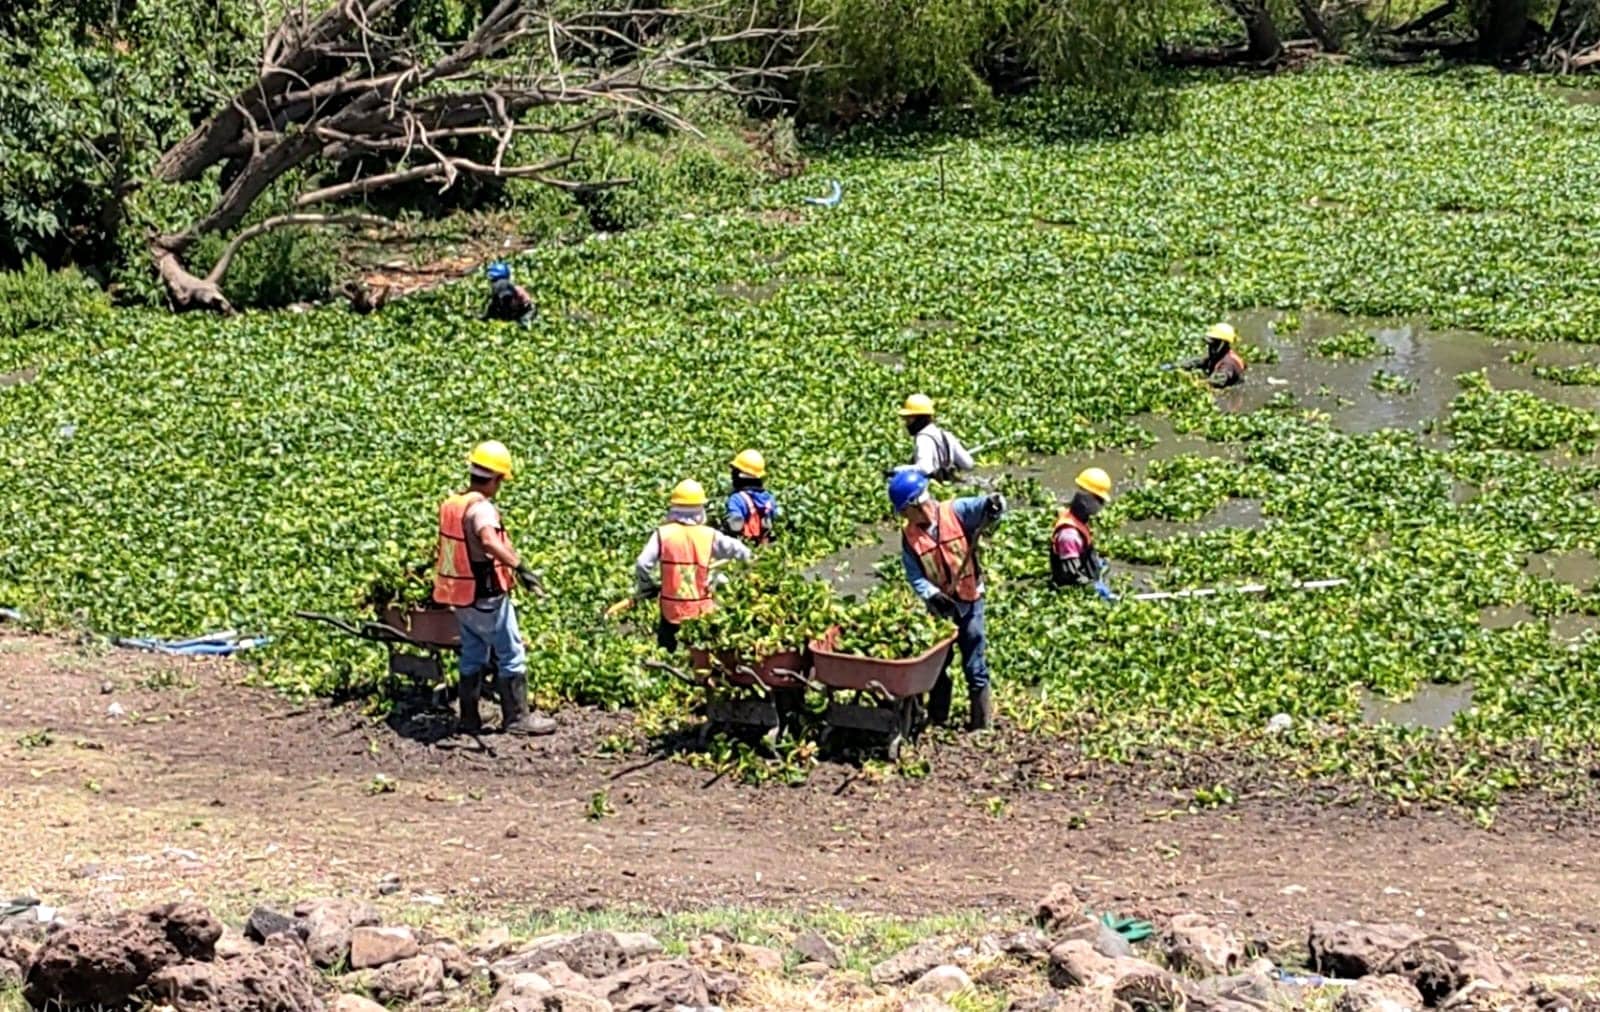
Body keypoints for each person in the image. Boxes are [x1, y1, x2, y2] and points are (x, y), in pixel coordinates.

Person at [432, 440, 555, 736]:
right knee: (510, 652)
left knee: (473, 652)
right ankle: (517, 719)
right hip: (486, 595)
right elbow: (488, 540)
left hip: (460, 595)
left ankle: (469, 718)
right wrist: (520, 567)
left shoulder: (453, 504)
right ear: (496, 479)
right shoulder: (482, 509)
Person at [889, 467, 1005, 731]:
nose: (904, 516)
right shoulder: (910, 537)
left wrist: (995, 505)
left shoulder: (956, 511)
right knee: (938, 666)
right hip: (942, 607)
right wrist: (932, 595)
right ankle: (938, 718)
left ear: (915, 503)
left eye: (904, 510)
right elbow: (915, 574)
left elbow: (987, 507)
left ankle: (980, 724)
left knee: (974, 661)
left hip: (970, 600)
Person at [633, 479, 752, 651]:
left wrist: (647, 586)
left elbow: (642, 564)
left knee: (667, 652)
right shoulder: (709, 535)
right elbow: (743, 552)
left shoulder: (663, 534)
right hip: (702, 610)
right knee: (701, 655)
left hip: (671, 609)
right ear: (700, 509)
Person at [1052, 467, 1116, 602]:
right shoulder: (1069, 535)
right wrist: (1094, 589)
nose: (1101, 505)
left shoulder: (1078, 518)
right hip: (1073, 594)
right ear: (1086, 498)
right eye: (1099, 500)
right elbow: (1072, 575)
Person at [899, 393, 975, 482]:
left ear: (920, 419)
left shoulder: (923, 439)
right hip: (950, 486)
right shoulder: (946, 435)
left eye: (909, 419)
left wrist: (898, 470)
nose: (906, 423)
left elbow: (925, 468)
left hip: (932, 488)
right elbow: (968, 464)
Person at [724, 449, 778, 546]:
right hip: (764, 544)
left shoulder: (737, 499)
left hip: (744, 544)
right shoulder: (769, 498)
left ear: (739, 476)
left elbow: (735, 526)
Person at [1181, 322, 1246, 388]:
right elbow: (1201, 362)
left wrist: (1196, 383)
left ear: (1223, 343)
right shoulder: (1220, 355)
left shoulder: (1228, 363)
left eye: (1213, 344)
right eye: (1209, 344)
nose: (1210, 347)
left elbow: (1217, 381)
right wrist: (1178, 366)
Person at [482, 261, 535, 326]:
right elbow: (493, 305)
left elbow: (506, 299)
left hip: (524, 311)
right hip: (514, 310)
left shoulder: (502, 285)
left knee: (523, 324)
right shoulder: (501, 285)